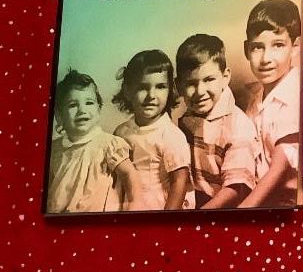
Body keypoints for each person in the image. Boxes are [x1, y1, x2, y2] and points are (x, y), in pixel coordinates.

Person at [176, 34, 257, 210]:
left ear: (225, 77)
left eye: (209, 80)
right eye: (191, 83)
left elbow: (236, 188)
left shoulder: (238, 127)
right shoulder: (187, 117)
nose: (200, 91)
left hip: (222, 208)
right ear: (178, 86)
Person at [47, 70, 141, 213]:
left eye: (89, 103)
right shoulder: (54, 149)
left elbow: (130, 175)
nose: (82, 110)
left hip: (98, 218)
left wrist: (133, 206)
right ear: (59, 116)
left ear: (99, 109)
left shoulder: (109, 144)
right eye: (72, 105)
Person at [238, 0, 301, 209]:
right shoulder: (255, 96)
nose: (265, 58)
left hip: (286, 203)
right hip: (262, 198)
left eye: (278, 45)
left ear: (295, 47)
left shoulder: (295, 96)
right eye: (257, 47)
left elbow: (278, 170)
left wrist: (240, 212)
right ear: (246, 50)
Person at [113, 50, 194, 210]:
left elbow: (180, 181)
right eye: (143, 87)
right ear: (127, 91)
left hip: (158, 208)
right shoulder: (121, 132)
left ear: (170, 90)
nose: (151, 95)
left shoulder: (171, 135)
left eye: (160, 87)